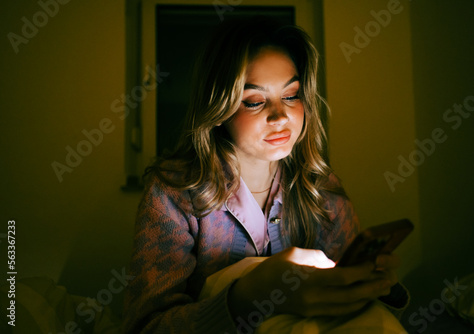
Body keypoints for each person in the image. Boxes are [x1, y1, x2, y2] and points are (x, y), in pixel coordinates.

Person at [122, 18, 408, 334]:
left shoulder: (321, 188)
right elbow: (147, 327)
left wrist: (375, 284)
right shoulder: (174, 191)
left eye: (291, 95)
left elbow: (351, 300)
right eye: (256, 101)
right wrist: (249, 297)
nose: (280, 116)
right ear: (218, 109)